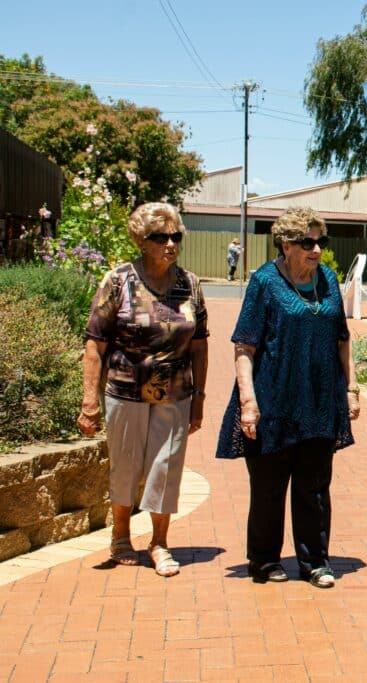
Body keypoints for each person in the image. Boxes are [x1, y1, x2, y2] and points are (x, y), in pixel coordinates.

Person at [216, 206, 359, 589]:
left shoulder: (328, 279)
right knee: (269, 487)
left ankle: (315, 561)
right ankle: (263, 560)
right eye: (307, 242)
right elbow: (244, 346)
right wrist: (248, 401)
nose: (316, 249)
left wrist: (352, 388)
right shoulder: (264, 282)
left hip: (319, 400)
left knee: (315, 486)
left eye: (320, 242)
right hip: (273, 400)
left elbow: (343, 339)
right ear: (285, 244)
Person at [77, 202, 209, 578]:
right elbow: (95, 343)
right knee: (126, 465)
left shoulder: (190, 284)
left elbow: (199, 344)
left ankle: (160, 543)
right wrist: (90, 400)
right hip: (124, 390)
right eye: (159, 237)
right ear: (141, 240)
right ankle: (120, 537)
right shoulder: (118, 280)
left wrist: (198, 398)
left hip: (176, 393)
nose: (170, 243)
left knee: (166, 467)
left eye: (175, 236)